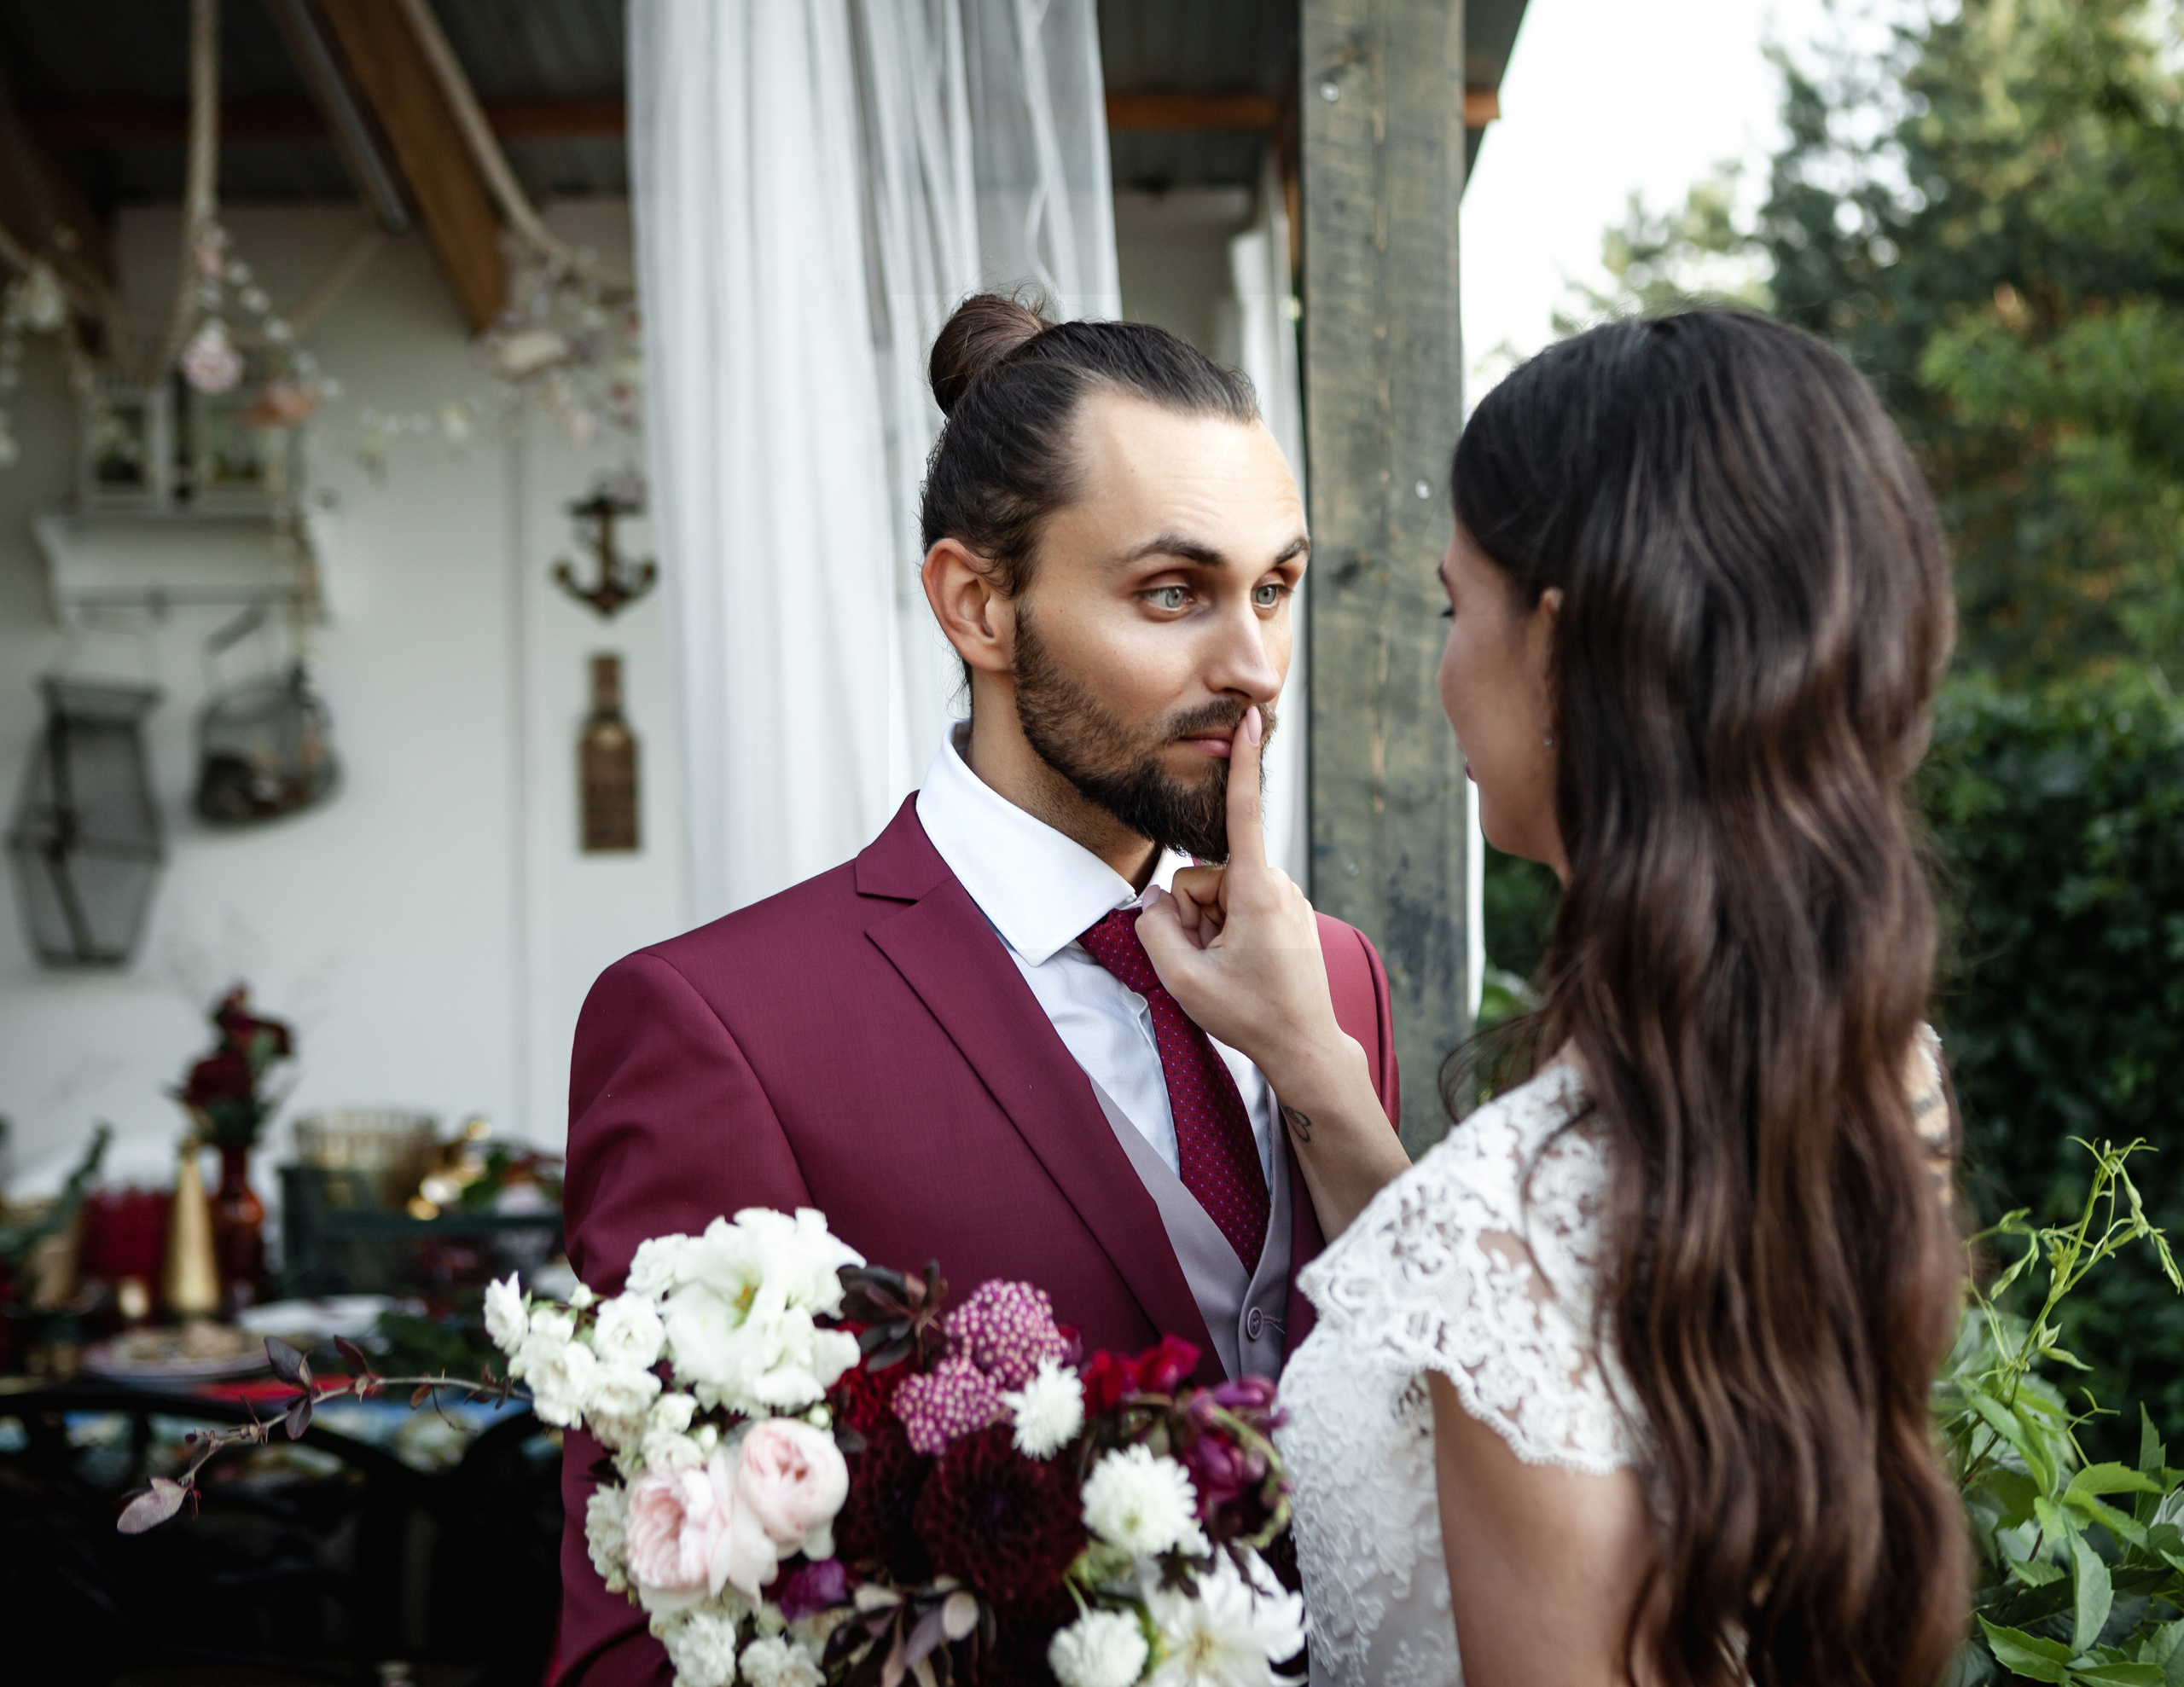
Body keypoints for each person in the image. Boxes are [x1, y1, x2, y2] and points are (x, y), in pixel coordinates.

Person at [550, 293, 1403, 1685]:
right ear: (980, 602)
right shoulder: (726, 1026)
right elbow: (641, 1647)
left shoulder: (1339, 981)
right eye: (1174, 593)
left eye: (1277, 586)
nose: (1253, 668)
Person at [1139, 310, 1968, 1687]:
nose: (1443, 668)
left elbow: (1526, 1283)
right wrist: (1313, 1065)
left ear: (1564, 650)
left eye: (1453, 608)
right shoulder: (1871, 1074)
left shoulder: (1504, 1231)